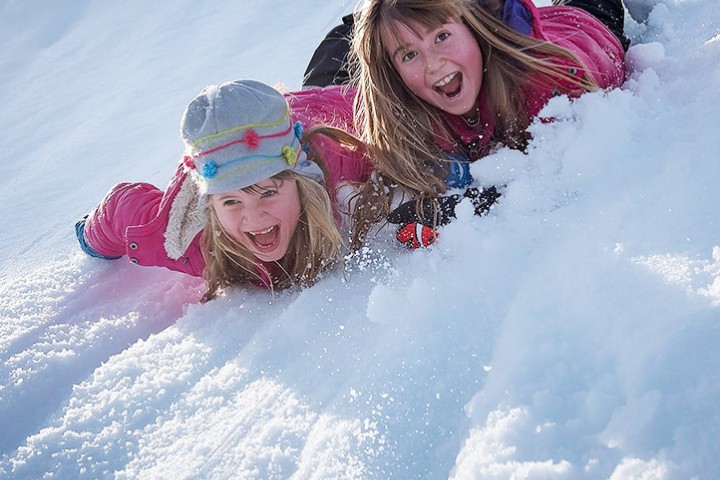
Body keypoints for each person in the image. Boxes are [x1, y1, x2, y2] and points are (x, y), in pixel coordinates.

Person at [341, 0, 628, 249]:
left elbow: (562, 175)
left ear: (473, 29)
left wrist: (477, 203)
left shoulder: (546, 83)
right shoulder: (415, 111)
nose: (432, 63)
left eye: (441, 36)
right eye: (409, 54)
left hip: (584, 27)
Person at [76, 79, 370, 300]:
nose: (253, 217)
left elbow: (374, 112)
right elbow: (120, 208)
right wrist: (90, 239)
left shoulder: (338, 163)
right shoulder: (187, 238)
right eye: (231, 201)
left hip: (327, 107)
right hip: (253, 141)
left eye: (268, 192)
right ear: (210, 205)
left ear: (301, 181)